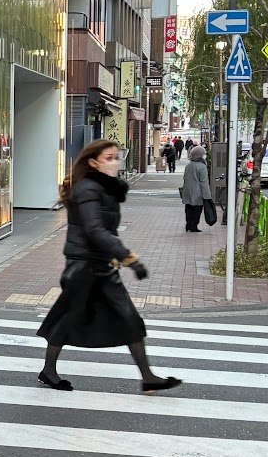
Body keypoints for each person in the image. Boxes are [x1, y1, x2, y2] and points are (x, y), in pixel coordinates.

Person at [37, 139, 182, 394]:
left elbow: (104, 230)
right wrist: (129, 258)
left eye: (116, 156)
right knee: (68, 319)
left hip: (98, 264)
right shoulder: (88, 189)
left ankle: (148, 377)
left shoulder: (104, 189)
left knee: (128, 318)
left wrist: (116, 256)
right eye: (109, 157)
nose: (115, 161)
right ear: (93, 162)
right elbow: (95, 229)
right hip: (84, 266)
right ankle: (49, 371)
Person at [180, 145, 211, 231]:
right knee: (197, 209)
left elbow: (185, 178)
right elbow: (204, 182)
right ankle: (194, 226)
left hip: (187, 190)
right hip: (198, 192)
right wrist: (207, 195)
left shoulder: (189, 166)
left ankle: (188, 224)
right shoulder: (202, 166)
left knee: (188, 208)